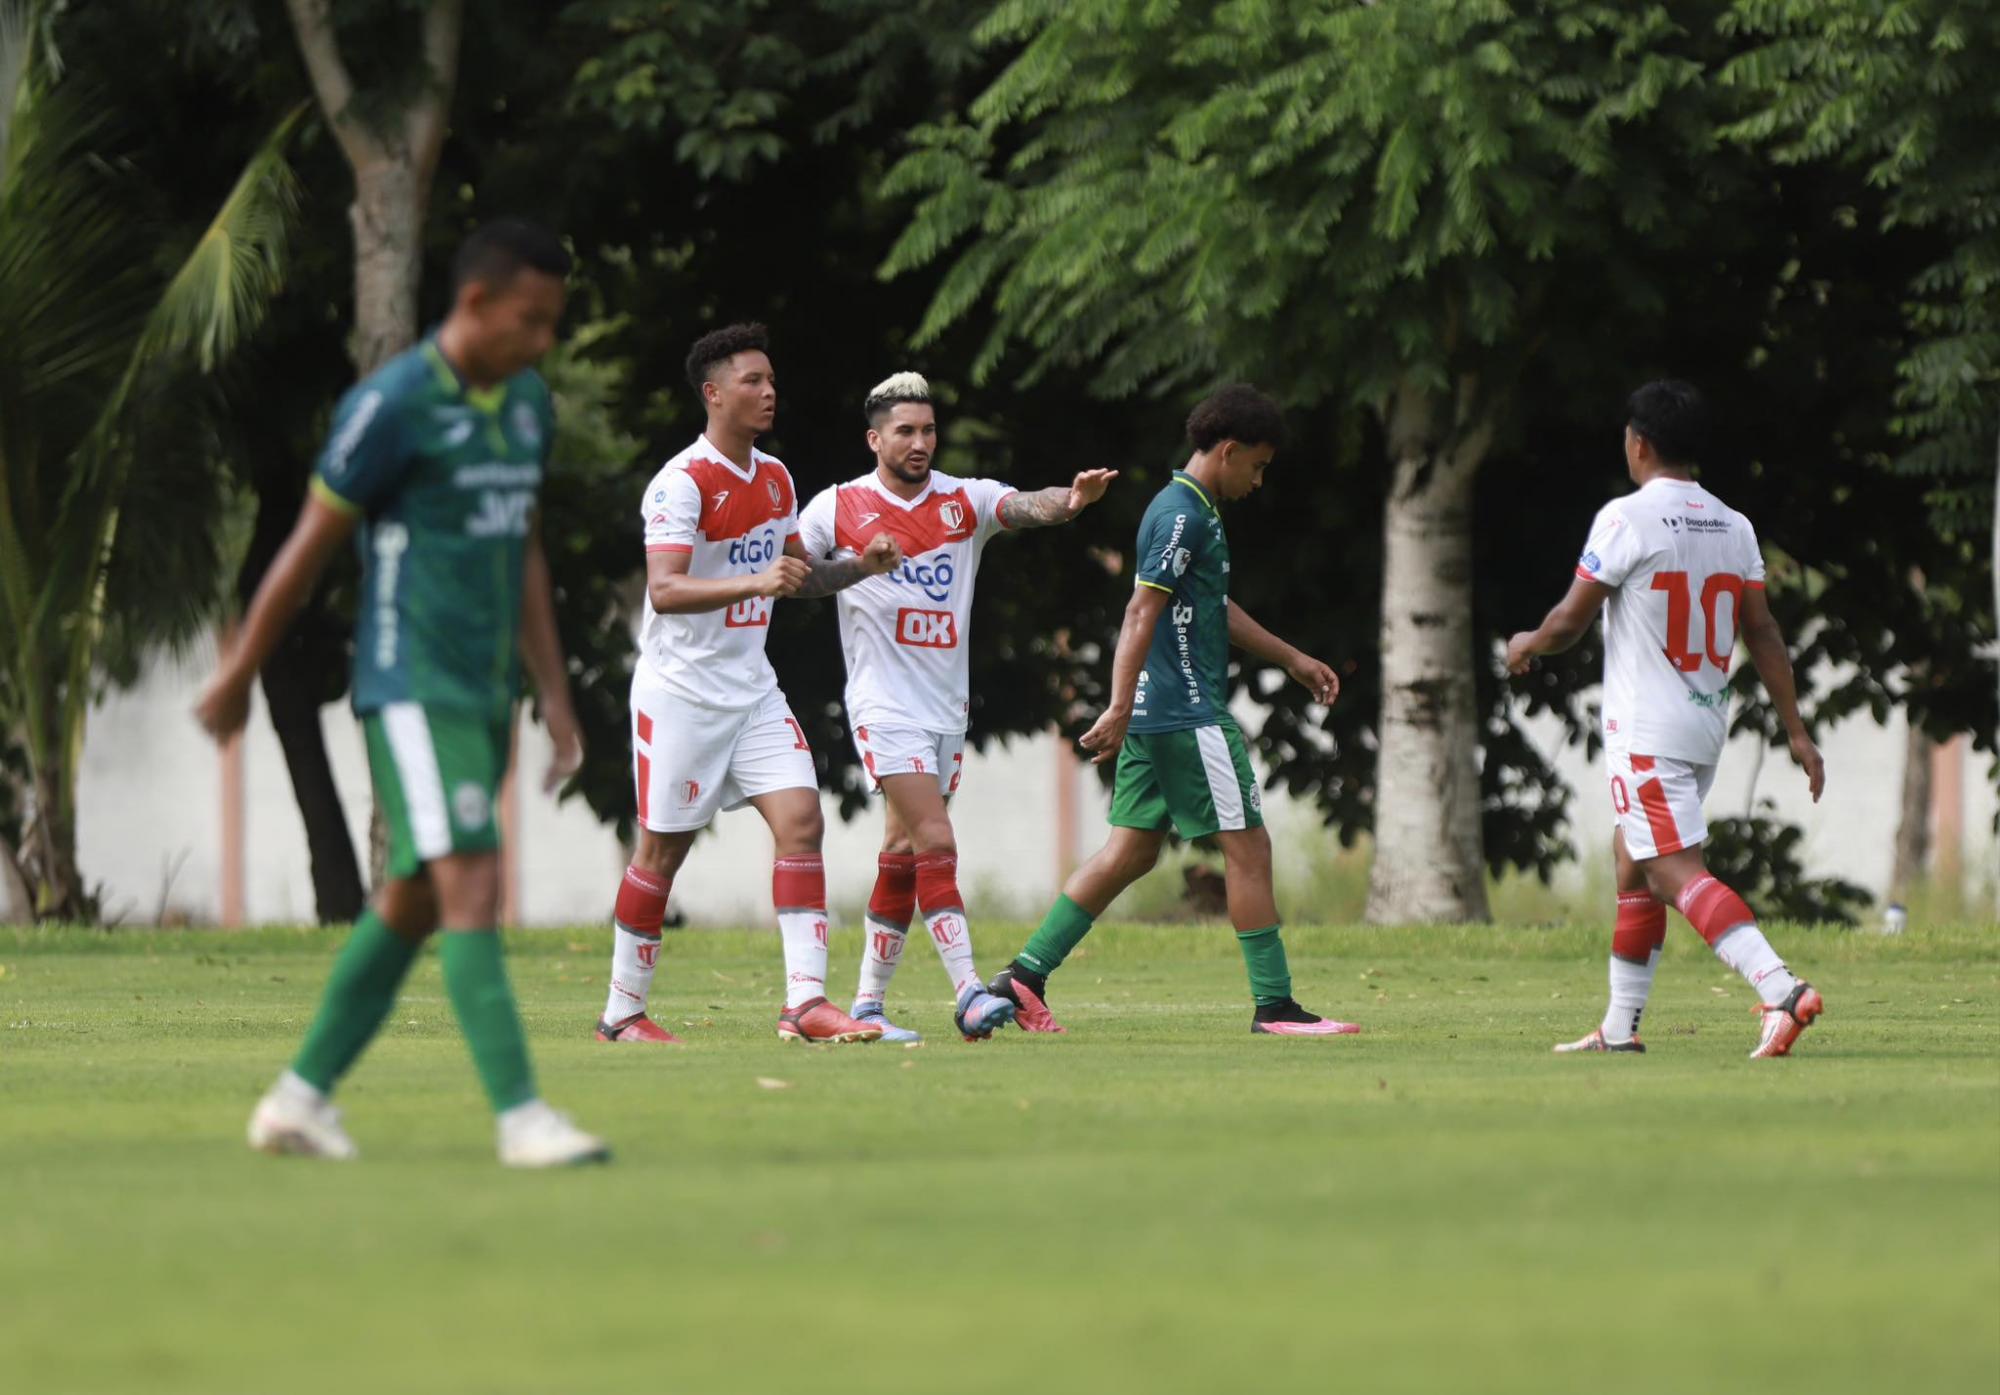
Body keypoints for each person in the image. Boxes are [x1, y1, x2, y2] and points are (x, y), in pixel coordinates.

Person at [196, 219, 607, 1166]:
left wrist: (553, 694)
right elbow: (306, 550)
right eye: (530, 319)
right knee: (473, 880)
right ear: (475, 301)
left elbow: (524, 546)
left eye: (553, 321)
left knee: (416, 899)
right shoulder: (393, 405)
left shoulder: (527, 405)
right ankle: (522, 1118)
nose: (544, 339)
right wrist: (239, 671)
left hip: (484, 689)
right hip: (412, 682)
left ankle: (298, 1100)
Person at [987, 385, 1359, 1037]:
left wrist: (1293, 658)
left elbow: (1210, 605)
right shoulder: (1182, 514)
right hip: (1187, 715)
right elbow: (1140, 610)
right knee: (1250, 848)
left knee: (1130, 852)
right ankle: (1275, 1007)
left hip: (1157, 716)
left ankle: (1023, 976)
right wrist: (1117, 704)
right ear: (1229, 450)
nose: (1259, 481)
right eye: (1257, 466)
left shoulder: (1192, 510)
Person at [595, 324, 902, 1045]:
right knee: (661, 853)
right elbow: (666, 590)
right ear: (713, 393)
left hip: (753, 690)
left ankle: (806, 1004)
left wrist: (860, 566)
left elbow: (796, 576)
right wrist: (756, 580)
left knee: (802, 820)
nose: (769, 392)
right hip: (681, 694)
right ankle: (622, 1012)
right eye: (752, 381)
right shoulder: (681, 483)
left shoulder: (776, 478)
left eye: (771, 380)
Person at [1505, 379, 1827, 1058]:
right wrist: (1796, 730)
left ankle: (1782, 990)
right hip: (1703, 726)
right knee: (1633, 862)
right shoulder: (1734, 524)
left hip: (1646, 732)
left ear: (1639, 443)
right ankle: (1620, 1029)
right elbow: (1763, 631)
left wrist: (1525, 643)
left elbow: (1568, 621)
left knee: (1673, 871)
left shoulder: (1627, 518)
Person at [795, 371, 1118, 1043]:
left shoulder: (963, 500)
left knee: (902, 851)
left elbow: (1025, 505)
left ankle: (868, 1006)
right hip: (883, 705)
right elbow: (795, 579)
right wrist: (861, 566)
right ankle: (970, 991)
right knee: (936, 840)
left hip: (946, 709)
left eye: (928, 430)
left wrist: (1070, 502)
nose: (920, 442)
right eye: (905, 431)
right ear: (875, 439)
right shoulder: (837, 506)